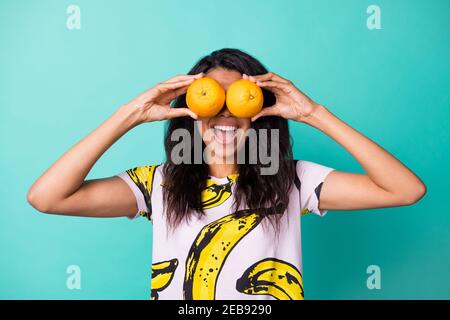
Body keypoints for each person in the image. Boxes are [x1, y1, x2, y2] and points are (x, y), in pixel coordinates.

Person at [27, 48, 426, 300]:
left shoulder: (293, 182)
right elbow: (47, 197)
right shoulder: (157, 185)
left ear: (259, 113)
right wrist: (130, 115)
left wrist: (314, 114)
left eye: (237, 101)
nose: (225, 114)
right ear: (190, 112)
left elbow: (405, 190)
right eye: (211, 100)